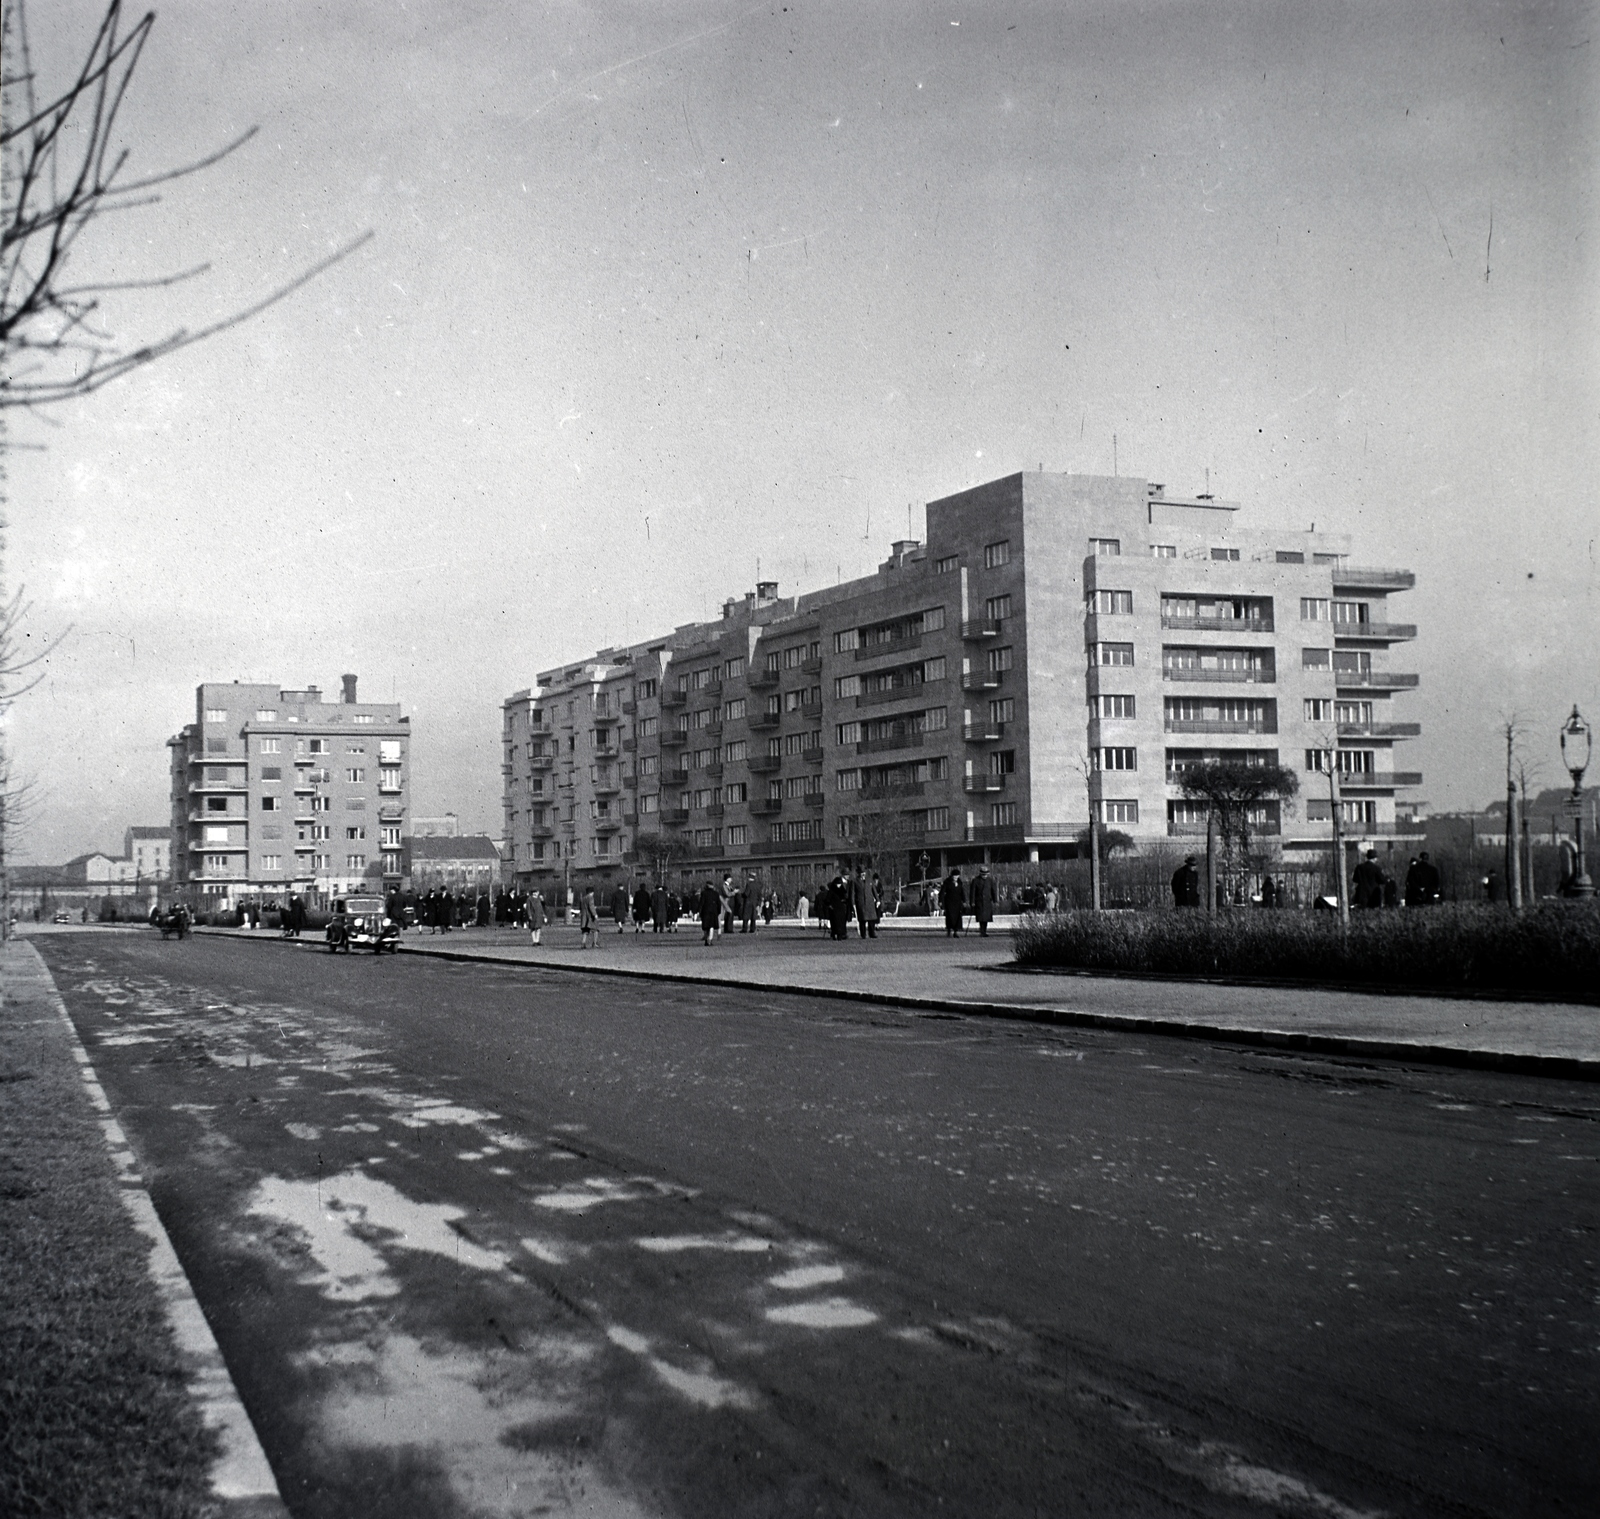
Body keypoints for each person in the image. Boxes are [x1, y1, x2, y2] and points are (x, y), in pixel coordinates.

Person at [970, 864, 997, 937]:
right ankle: (982, 931)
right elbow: (972, 892)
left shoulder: (990, 880)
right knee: (981, 917)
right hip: (979, 901)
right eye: (983, 874)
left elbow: (993, 891)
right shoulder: (975, 880)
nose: (985, 876)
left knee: (986, 917)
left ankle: (984, 931)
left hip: (987, 901)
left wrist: (995, 900)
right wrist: (972, 902)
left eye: (986, 874)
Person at [852, 866, 879, 940]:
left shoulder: (869, 880)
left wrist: (877, 900)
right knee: (862, 920)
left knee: (871, 919)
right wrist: (853, 903)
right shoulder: (855, 881)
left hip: (870, 903)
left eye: (864, 872)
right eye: (861, 873)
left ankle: (872, 933)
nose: (863, 874)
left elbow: (874, 891)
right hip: (861, 903)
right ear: (858, 873)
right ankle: (863, 934)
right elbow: (853, 893)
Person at [826, 872, 852, 940]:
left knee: (842, 922)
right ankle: (835, 934)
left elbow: (845, 898)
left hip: (841, 909)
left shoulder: (842, 890)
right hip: (834, 909)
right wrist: (830, 906)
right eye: (837, 884)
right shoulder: (831, 891)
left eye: (840, 884)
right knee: (835, 923)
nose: (839, 885)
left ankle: (842, 934)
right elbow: (827, 900)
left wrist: (845, 901)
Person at [939, 869, 966, 936]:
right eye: (954, 876)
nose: (956, 878)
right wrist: (941, 901)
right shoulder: (947, 882)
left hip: (957, 902)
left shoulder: (960, 882)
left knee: (957, 917)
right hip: (949, 902)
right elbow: (942, 893)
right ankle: (949, 929)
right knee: (950, 917)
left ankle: (955, 931)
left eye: (957, 876)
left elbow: (962, 892)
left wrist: (964, 901)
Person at [698, 877, 722, 945]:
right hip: (714, 911)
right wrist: (718, 911)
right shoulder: (716, 893)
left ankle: (706, 938)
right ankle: (710, 939)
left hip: (705, 911)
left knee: (706, 926)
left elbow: (701, 903)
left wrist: (699, 911)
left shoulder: (703, 893)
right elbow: (719, 903)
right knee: (712, 926)